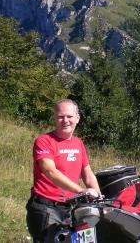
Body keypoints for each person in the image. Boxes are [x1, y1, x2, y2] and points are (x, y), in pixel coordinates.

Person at [26, 99, 101, 242]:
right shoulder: (44, 141)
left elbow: (87, 172)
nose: (65, 120)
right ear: (55, 118)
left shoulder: (78, 143)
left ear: (77, 118)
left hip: (69, 208)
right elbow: (50, 171)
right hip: (45, 208)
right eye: (60, 116)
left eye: (69, 116)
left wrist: (98, 196)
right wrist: (81, 190)